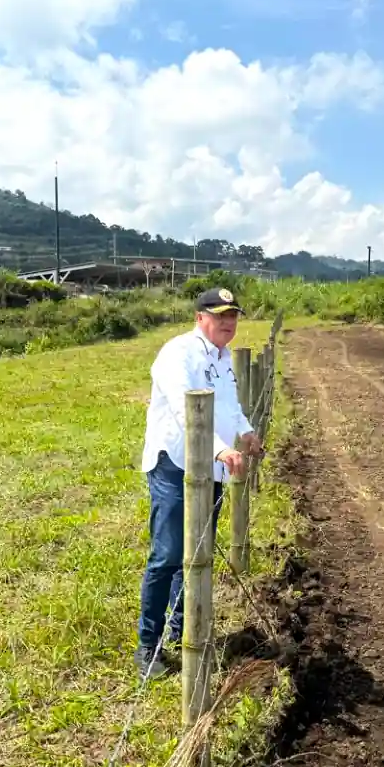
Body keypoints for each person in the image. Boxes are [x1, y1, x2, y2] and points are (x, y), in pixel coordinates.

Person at [135, 286, 264, 678]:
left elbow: (229, 406)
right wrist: (220, 449)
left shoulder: (223, 358)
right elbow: (185, 410)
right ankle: (148, 646)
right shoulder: (178, 354)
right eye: (220, 315)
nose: (228, 322)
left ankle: (180, 630)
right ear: (199, 317)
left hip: (214, 467)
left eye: (233, 316)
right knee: (168, 554)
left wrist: (246, 433)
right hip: (176, 465)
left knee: (197, 551)